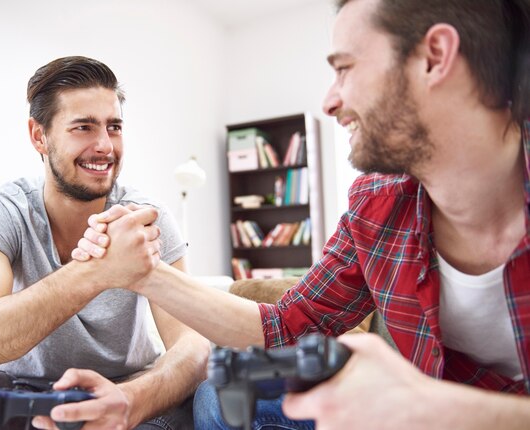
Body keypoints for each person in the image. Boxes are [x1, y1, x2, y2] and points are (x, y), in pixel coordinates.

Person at [70, 0, 530, 428]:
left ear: (434, 57)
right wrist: (145, 273)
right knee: (220, 395)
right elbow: (285, 326)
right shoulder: (379, 203)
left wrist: (430, 406)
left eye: (345, 69)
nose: (330, 101)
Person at [0, 56, 209, 430]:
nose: (104, 146)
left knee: (186, 403)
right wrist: (97, 271)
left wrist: (132, 401)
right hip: (24, 390)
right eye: (83, 127)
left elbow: (192, 347)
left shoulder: (148, 218)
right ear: (39, 136)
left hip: (126, 389)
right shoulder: (0, 209)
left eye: (114, 127)